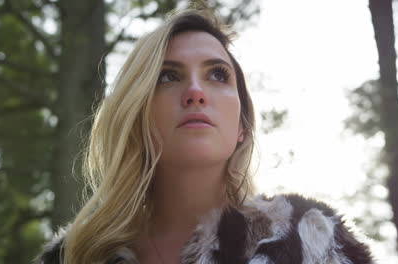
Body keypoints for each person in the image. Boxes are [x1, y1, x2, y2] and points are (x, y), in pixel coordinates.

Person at [37, 8, 375, 264]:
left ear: (242, 125)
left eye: (217, 74)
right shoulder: (73, 255)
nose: (195, 92)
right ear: (136, 114)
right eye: (168, 76)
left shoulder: (311, 239)